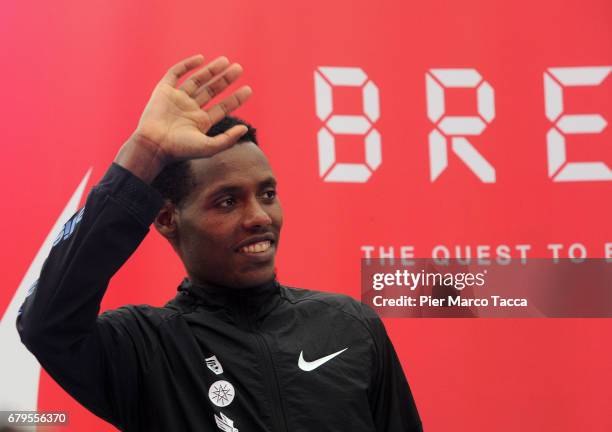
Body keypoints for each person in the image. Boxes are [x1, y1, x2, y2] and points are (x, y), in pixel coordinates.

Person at [16, 54, 422, 431]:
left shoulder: (350, 325)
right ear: (166, 218)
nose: (259, 217)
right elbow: (47, 323)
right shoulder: (145, 348)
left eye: (267, 194)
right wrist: (145, 152)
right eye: (228, 201)